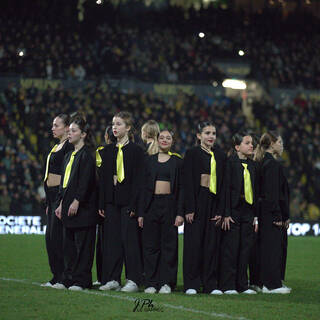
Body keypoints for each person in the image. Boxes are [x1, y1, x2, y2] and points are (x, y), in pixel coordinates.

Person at [98, 111, 144, 293]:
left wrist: (135, 205)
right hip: (111, 204)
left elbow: (138, 182)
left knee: (130, 242)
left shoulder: (136, 151)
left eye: (118, 124)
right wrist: (102, 203)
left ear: (128, 128)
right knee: (112, 242)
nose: (114, 127)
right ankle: (113, 278)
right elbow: (103, 180)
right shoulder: (107, 151)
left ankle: (133, 279)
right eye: (113, 124)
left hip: (128, 204)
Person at [54, 114, 98, 291]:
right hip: (68, 207)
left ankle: (82, 280)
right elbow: (65, 183)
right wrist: (61, 202)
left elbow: (86, 181)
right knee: (69, 247)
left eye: (73, 131)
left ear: (83, 134)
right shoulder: (69, 156)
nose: (69, 133)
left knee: (84, 247)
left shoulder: (87, 155)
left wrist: (77, 200)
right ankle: (69, 278)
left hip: (84, 209)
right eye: (69, 130)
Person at [183, 121, 226, 295]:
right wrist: (190, 208)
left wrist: (221, 211)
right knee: (194, 245)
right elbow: (187, 183)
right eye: (207, 133)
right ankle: (191, 284)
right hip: (198, 201)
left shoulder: (221, 155)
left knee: (211, 246)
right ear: (199, 136)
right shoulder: (192, 154)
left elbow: (224, 185)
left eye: (214, 133)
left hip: (214, 202)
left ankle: (210, 284)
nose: (211, 136)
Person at [141, 129, 184, 294]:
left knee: (169, 246)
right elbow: (142, 188)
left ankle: (167, 283)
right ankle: (151, 283)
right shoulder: (148, 161)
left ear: (173, 141)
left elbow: (181, 190)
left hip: (170, 206)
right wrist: (141, 213)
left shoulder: (177, 162)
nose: (165, 140)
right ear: (157, 140)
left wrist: (180, 213)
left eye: (168, 138)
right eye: (162, 137)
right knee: (150, 246)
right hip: (151, 206)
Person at [220, 132, 258, 294]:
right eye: (247, 143)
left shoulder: (253, 165)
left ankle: (242, 285)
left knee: (245, 248)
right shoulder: (229, 163)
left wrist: (255, 215)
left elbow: (256, 191)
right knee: (231, 248)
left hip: (248, 210)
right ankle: (228, 285)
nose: (251, 146)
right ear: (237, 147)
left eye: (252, 143)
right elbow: (225, 190)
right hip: (233, 210)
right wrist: (226, 212)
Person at [254, 131, 291, 294]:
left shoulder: (263, 162)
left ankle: (266, 282)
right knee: (272, 248)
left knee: (266, 247)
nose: (282, 146)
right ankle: (272, 284)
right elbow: (272, 193)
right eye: (280, 142)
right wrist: (279, 215)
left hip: (265, 212)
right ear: (272, 144)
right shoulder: (272, 164)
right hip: (271, 214)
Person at [41, 114, 74, 287]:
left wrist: (62, 200)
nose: (52, 128)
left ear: (67, 127)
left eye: (56, 125)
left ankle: (65, 277)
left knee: (61, 239)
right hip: (52, 197)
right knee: (51, 239)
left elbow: (67, 175)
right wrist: (48, 201)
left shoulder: (69, 146)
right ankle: (56, 275)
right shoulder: (56, 146)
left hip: (61, 197)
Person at [94, 126, 116, 286]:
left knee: (103, 242)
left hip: (104, 202)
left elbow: (99, 179)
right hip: (119, 202)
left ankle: (104, 277)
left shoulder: (101, 152)